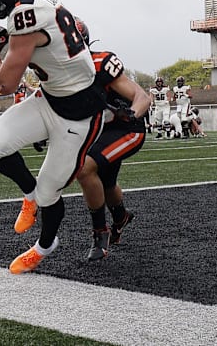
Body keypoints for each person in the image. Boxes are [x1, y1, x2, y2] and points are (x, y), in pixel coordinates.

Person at [0, 0, 105, 274]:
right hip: (50, 97)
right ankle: (29, 196)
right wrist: (5, 44)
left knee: (51, 191)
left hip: (77, 117)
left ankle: (45, 246)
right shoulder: (40, 1)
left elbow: (5, 84)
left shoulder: (24, 16)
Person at [73, 18, 151, 261]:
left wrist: (131, 112)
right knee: (106, 183)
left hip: (127, 128)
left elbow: (143, 97)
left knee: (85, 168)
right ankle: (120, 217)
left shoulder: (99, 64)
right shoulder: (57, 72)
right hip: (98, 129)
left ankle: (100, 232)